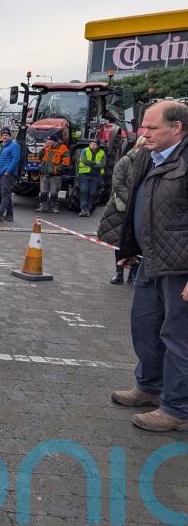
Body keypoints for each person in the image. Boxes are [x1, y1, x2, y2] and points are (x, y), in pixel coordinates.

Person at [99, 100, 188, 432]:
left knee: (178, 337)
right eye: (143, 126)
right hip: (150, 259)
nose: (143, 133)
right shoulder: (149, 157)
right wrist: (129, 247)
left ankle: (176, 408)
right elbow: (137, 203)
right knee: (146, 326)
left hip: (179, 266)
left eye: (152, 128)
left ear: (176, 128)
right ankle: (149, 388)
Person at [101, 135, 147, 284]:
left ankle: (133, 275)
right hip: (122, 208)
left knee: (139, 242)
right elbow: (118, 183)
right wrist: (133, 201)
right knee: (119, 241)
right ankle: (118, 273)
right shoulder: (126, 161)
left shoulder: (151, 163)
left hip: (142, 208)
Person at [0, 127, 20, 222]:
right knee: (7, 194)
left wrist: (8, 171)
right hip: (1, 173)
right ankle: (10, 215)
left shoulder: (14, 145)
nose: (4, 137)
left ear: (9, 136)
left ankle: (0, 215)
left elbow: (16, 159)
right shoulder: (3, 145)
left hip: (8, 174)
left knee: (5, 194)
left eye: (6, 135)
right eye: (3, 135)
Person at [35, 133, 70, 214]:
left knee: (54, 192)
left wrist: (56, 169)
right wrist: (43, 148)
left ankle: (54, 207)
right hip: (45, 174)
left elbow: (66, 162)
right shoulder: (46, 147)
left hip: (55, 175)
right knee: (43, 192)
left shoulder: (63, 148)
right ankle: (42, 206)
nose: (47, 142)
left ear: (54, 141)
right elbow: (39, 157)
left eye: (49, 140)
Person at [76, 139, 106, 216]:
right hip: (84, 175)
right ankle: (83, 209)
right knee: (84, 191)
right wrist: (95, 163)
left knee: (92, 193)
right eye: (91, 144)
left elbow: (102, 165)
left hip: (95, 176)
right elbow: (84, 161)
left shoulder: (102, 153)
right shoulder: (84, 151)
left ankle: (88, 210)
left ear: (98, 146)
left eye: (94, 144)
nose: (92, 145)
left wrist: (91, 164)